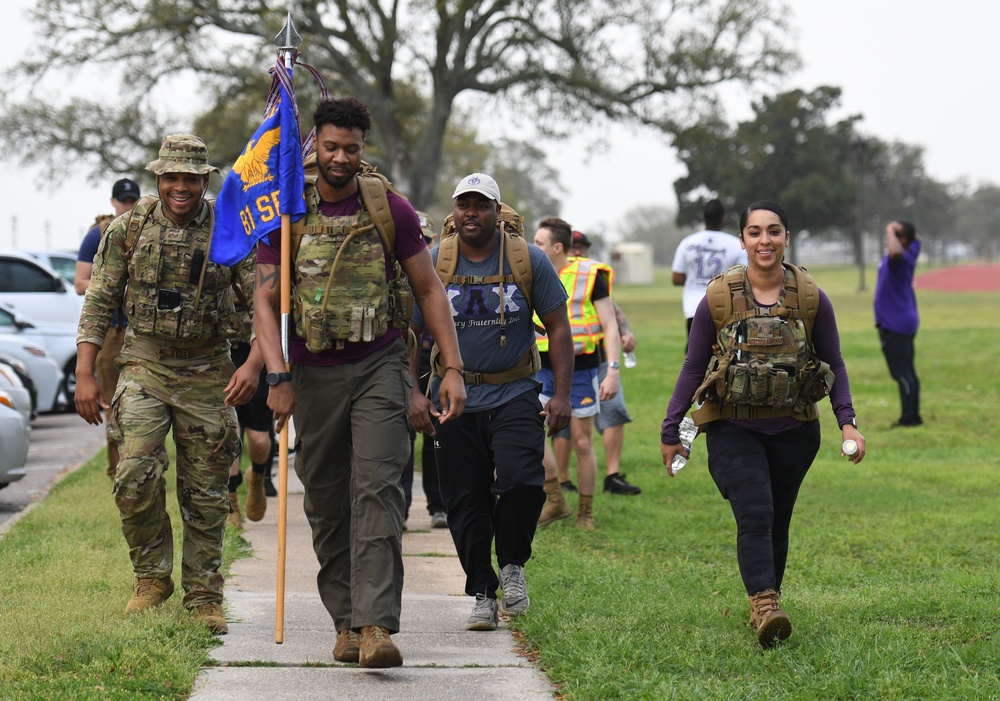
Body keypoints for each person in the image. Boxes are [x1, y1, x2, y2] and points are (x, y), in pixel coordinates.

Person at [253, 98, 466, 668]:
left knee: (378, 492)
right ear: (312, 147)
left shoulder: (388, 208)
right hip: (312, 374)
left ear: (361, 149)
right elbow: (265, 300)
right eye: (330, 147)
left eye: (350, 148)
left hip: (380, 366)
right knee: (325, 499)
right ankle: (345, 621)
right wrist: (275, 375)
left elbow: (428, 291)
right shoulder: (287, 210)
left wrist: (451, 368)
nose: (340, 158)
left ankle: (376, 626)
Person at [659, 200, 866, 649]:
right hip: (734, 427)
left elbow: (834, 363)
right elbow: (693, 368)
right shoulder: (717, 296)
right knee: (755, 513)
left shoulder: (810, 296)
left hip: (795, 429)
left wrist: (846, 423)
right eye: (755, 232)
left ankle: (767, 598)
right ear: (742, 241)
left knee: (777, 520)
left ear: (786, 237)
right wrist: (671, 429)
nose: (765, 240)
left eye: (774, 231)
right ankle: (766, 605)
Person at [75, 134, 260, 635]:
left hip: (208, 370)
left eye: (192, 179)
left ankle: (203, 595)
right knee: (134, 474)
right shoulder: (128, 228)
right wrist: (85, 371)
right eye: (171, 177)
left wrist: (257, 363)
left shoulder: (231, 229)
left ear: (205, 181)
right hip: (145, 364)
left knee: (206, 492)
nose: (181, 187)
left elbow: (263, 300)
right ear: (159, 178)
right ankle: (151, 577)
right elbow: (99, 298)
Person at [408, 173, 572, 631]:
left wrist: (560, 394)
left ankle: (513, 564)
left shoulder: (528, 259)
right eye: (464, 205)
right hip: (451, 397)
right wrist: (413, 393)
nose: (471, 213)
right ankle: (482, 589)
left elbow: (558, 327)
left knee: (522, 481)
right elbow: (410, 333)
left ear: (497, 212)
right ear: (454, 211)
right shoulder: (434, 260)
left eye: (481, 205)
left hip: (515, 390)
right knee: (465, 499)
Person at [533, 217, 621, 529]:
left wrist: (612, 371)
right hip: (539, 364)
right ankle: (555, 497)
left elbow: (609, 325)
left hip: (581, 367)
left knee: (583, 442)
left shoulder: (590, 274)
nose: (534, 247)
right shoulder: (530, 268)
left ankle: (585, 512)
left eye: (540, 243)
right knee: (531, 430)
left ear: (558, 247)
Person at [557, 230, 641, 496]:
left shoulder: (592, 279)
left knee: (613, 411)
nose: (579, 252)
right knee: (565, 421)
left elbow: (614, 315)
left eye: (583, 248)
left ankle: (612, 476)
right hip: (568, 363)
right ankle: (562, 479)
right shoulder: (556, 280)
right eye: (574, 248)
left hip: (602, 361)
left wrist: (626, 333)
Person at [75, 177, 141, 480]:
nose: (128, 206)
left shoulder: (148, 230)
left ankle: (144, 464)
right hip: (113, 329)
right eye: (123, 201)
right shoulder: (97, 235)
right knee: (114, 402)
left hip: (145, 330)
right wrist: (117, 288)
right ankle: (118, 470)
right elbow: (80, 283)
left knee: (145, 403)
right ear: (113, 202)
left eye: (132, 200)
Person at [400, 211, 449, 530]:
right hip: (403, 361)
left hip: (437, 365)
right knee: (400, 440)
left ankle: (438, 506)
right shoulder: (392, 270)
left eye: (427, 239)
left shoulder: (442, 270)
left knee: (438, 437)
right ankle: (399, 507)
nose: (423, 244)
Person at [227, 291, 275, 528]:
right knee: (230, 430)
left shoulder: (261, 253)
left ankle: (256, 477)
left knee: (258, 439)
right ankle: (231, 498)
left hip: (257, 347)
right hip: (223, 345)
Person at [672, 199, 746, 340]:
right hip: (724, 309)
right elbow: (743, 278)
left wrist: (697, 279)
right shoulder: (735, 244)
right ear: (722, 219)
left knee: (695, 356)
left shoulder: (688, 243)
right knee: (725, 355)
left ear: (703, 218)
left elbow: (677, 278)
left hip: (694, 308)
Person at [874, 220, 922, 427]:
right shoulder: (912, 249)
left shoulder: (899, 258)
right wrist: (901, 231)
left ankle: (909, 419)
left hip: (896, 323)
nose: (888, 239)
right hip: (902, 320)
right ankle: (913, 416)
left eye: (891, 235)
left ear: (901, 240)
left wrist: (891, 230)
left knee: (902, 373)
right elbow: (916, 238)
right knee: (908, 372)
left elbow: (895, 251)